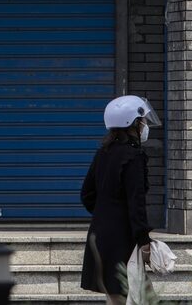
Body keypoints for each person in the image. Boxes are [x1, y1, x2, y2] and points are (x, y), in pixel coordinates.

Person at [80, 95, 160, 304]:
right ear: (133, 122)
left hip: (101, 234)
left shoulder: (103, 153)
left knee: (119, 294)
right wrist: (144, 241)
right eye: (142, 120)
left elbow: (87, 194)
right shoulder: (133, 157)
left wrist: (106, 214)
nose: (145, 125)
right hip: (123, 238)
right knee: (133, 295)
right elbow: (136, 203)